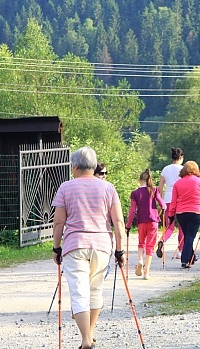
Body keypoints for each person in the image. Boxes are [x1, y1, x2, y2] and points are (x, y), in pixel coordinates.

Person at [52, 147, 125, 349]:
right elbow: (118, 222)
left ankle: (85, 339)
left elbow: (59, 223)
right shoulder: (108, 188)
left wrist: (56, 248)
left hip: (75, 246)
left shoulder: (66, 187)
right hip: (102, 246)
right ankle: (90, 334)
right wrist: (120, 251)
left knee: (79, 292)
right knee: (95, 290)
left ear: (74, 167)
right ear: (93, 166)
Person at [125, 169, 166, 280]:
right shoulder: (154, 190)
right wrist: (160, 211)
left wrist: (128, 225)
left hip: (141, 221)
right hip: (153, 221)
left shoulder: (135, 193)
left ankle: (140, 261)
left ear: (140, 180)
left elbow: (132, 211)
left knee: (141, 243)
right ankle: (146, 271)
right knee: (150, 246)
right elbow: (163, 205)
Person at [168, 161, 200, 268]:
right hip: (195, 212)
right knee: (190, 236)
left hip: (181, 213)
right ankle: (185, 260)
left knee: (187, 236)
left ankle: (192, 257)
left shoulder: (177, 184)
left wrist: (171, 215)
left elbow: (173, 201)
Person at [156, 147, 185, 258]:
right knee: (182, 226)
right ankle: (180, 251)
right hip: (180, 200)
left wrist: (161, 201)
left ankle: (162, 240)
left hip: (168, 200)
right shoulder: (183, 170)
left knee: (170, 227)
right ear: (181, 157)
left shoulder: (165, 169)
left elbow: (160, 187)